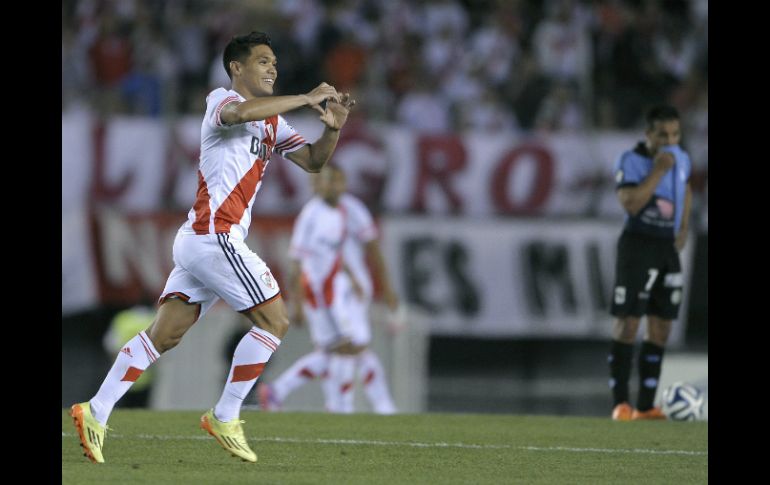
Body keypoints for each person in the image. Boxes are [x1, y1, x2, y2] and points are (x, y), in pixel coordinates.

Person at [69, 31, 356, 464]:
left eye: (274, 61)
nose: (272, 67)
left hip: (198, 240)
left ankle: (95, 409)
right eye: (262, 61)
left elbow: (314, 162)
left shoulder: (274, 123)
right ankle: (225, 414)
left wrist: (331, 129)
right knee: (275, 320)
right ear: (236, 68)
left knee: (164, 335)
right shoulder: (220, 101)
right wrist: (304, 97)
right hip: (215, 236)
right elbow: (241, 113)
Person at [257, 166, 399, 414]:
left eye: (337, 181)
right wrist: (298, 302)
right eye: (326, 182)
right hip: (321, 294)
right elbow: (297, 262)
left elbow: (347, 251)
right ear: (318, 185)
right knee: (350, 348)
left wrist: (365, 281)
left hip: (341, 291)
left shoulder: (349, 209)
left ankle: (283, 393)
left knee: (341, 349)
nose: (332, 187)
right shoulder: (311, 215)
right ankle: (366, 408)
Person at [608, 105, 692, 421]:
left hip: (665, 248)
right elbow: (630, 204)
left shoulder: (681, 158)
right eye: (663, 134)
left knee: (661, 326)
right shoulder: (631, 160)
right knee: (628, 322)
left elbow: (685, 188)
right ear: (648, 135)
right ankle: (620, 404)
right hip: (638, 245)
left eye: (675, 134)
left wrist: (683, 228)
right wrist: (657, 171)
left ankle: (645, 406)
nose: (670, 140)